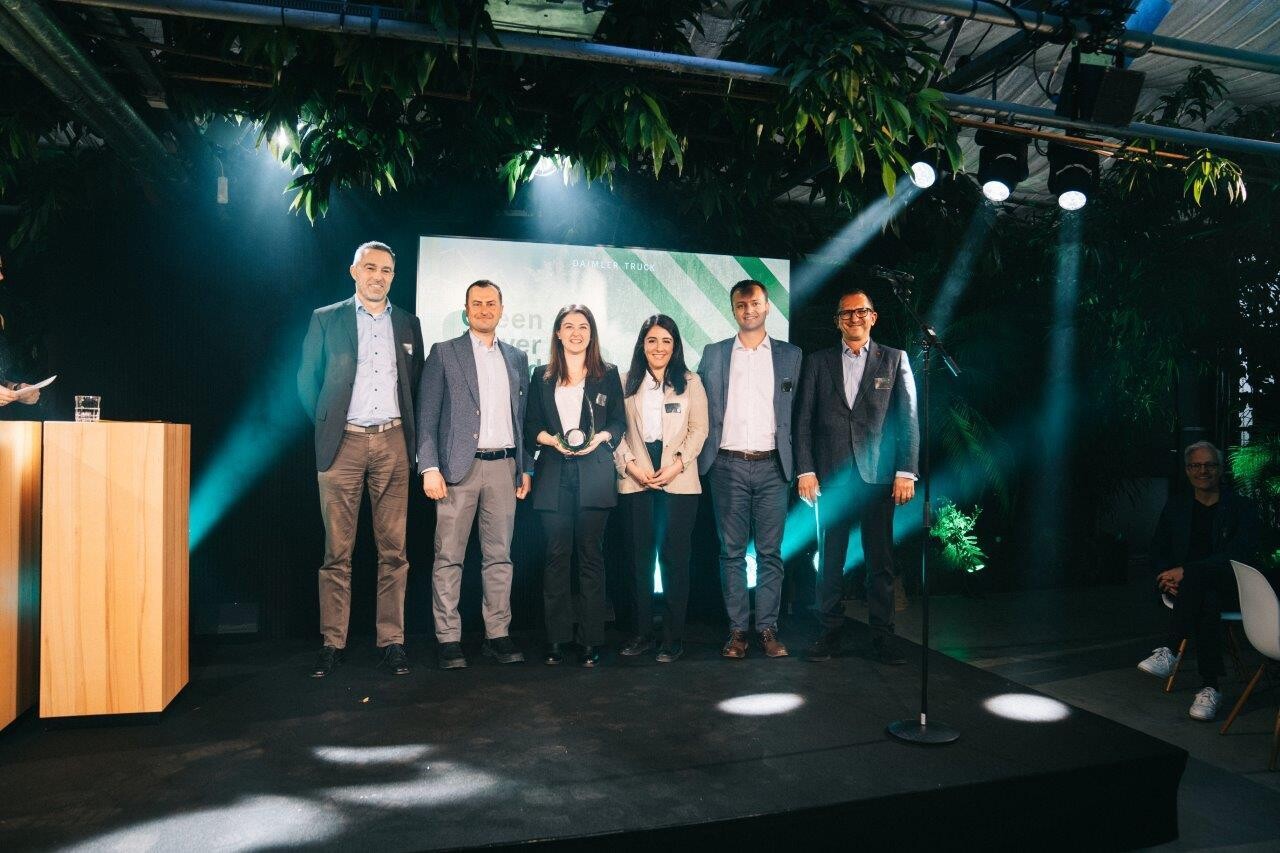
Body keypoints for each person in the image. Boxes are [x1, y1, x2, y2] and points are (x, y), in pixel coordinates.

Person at [297, 241, 424, 678]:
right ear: (354, 272)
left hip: (393, 442)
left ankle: (392, 642)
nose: (378, 276)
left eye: (386, 270)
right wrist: (327, 423)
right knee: (337, 552)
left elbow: (415, 382)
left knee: (395, 551)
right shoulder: (326, 318)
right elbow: (306, 379)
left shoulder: (407, 322)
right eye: (370, 268)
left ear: (393, 276)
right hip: (342, 444)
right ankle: (333, 642)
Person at [795, 290, 919, 665]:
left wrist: (906, 471)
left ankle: (882, 637)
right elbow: (803, 420)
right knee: (829, 561)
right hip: (830, 478)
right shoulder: (818, 362)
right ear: (837, 321)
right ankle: (829, 633)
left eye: (861, 311)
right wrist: (805, 470)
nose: (854, 318)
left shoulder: (895, 359)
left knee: (880, 563)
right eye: (846, 313)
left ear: (873, 317)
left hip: (878, 478)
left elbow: (908, 419)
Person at [416, 280, 531, 670]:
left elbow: (522, 419)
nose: (484, 309)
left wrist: (525, 466)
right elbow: (427, 417)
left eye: (491, 303)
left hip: (504, 468)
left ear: (501, 308)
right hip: (455, 471)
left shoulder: (517, 357)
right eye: (477, 304)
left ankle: (497, 634)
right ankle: (448, 638)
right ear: (466, 310)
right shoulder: (444, 352)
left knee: (499, 557)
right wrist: (430, 467)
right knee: (449, 557)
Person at [697, 280, 803, 659]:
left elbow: (799, 414)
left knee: (771, 553)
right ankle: (738, 631)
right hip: (726, 465)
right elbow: (697, 404)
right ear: (733, 310)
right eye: (741, 305)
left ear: (767, 306)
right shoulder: (714, 354)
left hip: (773, 465)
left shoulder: (791, 355)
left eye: (755, 303)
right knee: (731, 552)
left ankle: (768, 629)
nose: (748, 310)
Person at [525, 304, 624, 667]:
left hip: (594, 475)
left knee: (591, 558)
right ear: (558, 333)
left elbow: (618, 422)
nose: (576, 332)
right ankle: (556, 638)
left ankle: (590, 640)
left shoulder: (607, 374)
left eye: (583, 326)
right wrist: (551, 440)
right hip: (554, 474)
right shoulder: (541, 375)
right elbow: (531, 425)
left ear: (591, 333)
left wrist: (600, 439)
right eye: (568, 326)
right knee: (556, 557)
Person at [1137, 441, 1260, 721]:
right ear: (1187, 470)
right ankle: (1210, 687)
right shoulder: (1177, 507)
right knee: (1206, 597)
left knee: (1204, 587)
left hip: (1231, 587)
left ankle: (1170, 649)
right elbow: (1157, 551)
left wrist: (1187, 571)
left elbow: (1239, 554)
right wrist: (1166, 576)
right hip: (1186, 589)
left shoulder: (1241, 507)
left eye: (1209, 465)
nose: (1202, 471)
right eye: (1195, 465)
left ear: (1220, 469)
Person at [615, 315, 708, 663]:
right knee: (638, 560)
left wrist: (676, 465)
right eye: (652, 340)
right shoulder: (624, 382)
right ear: (642, 344)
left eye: (666, 341)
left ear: (675, 346)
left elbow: (699, 429)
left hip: (678, 479)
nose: (659, 347)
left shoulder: (690, 382)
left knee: (675, 560)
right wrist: (631, 466)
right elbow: (614, 432)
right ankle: (641, 634)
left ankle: (672, 638)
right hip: (635, 477)